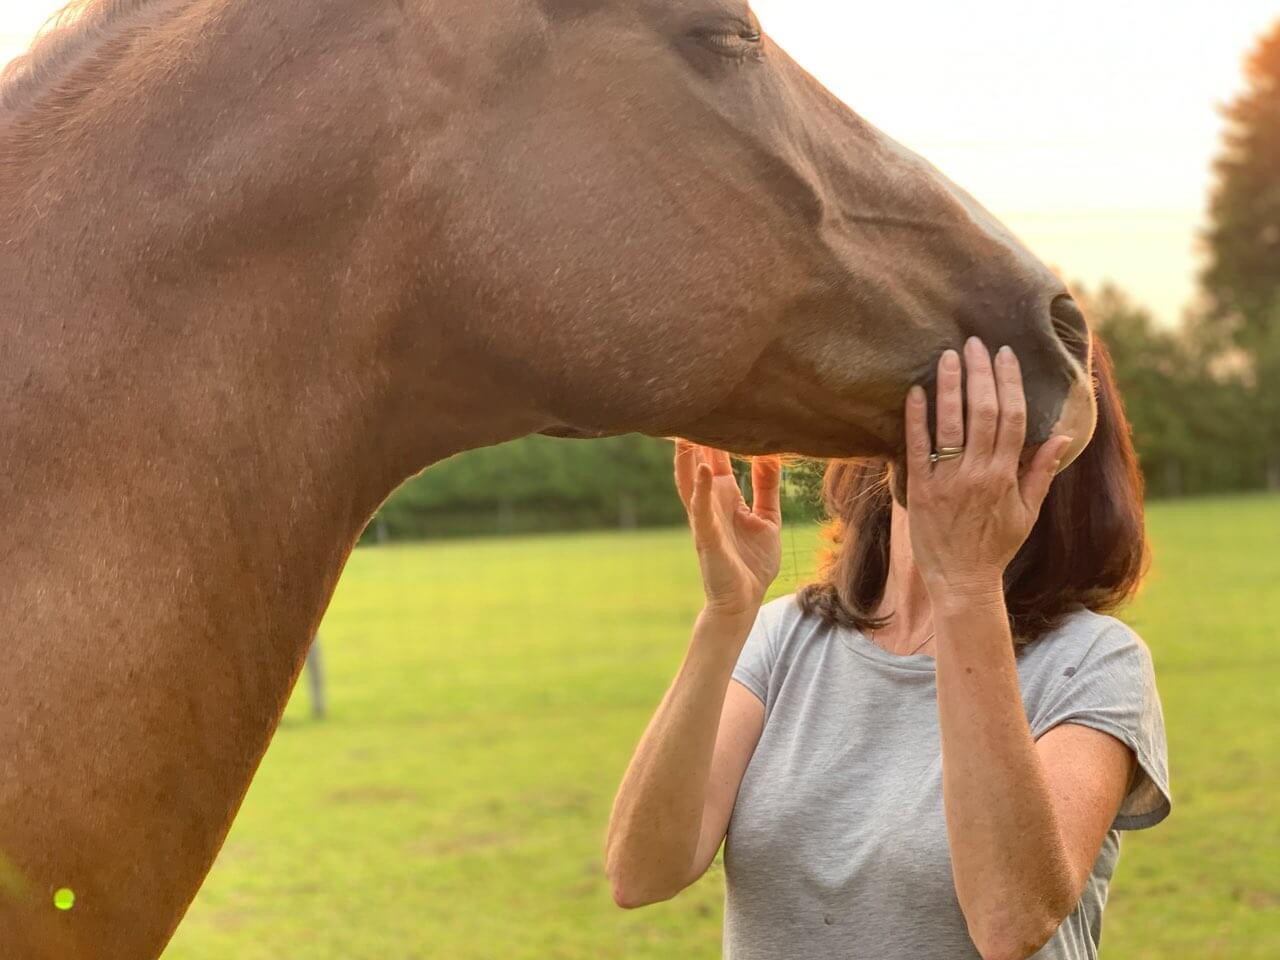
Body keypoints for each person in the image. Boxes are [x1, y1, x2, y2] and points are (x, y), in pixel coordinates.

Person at [605, 334, 1170, 960]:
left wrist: (966, 585)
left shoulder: (1093, 661)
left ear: (1054, 460)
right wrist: (724, 616)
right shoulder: (782, 637)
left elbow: (1010, 921)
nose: (949, 428)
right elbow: (643, 872)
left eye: (992, 414)